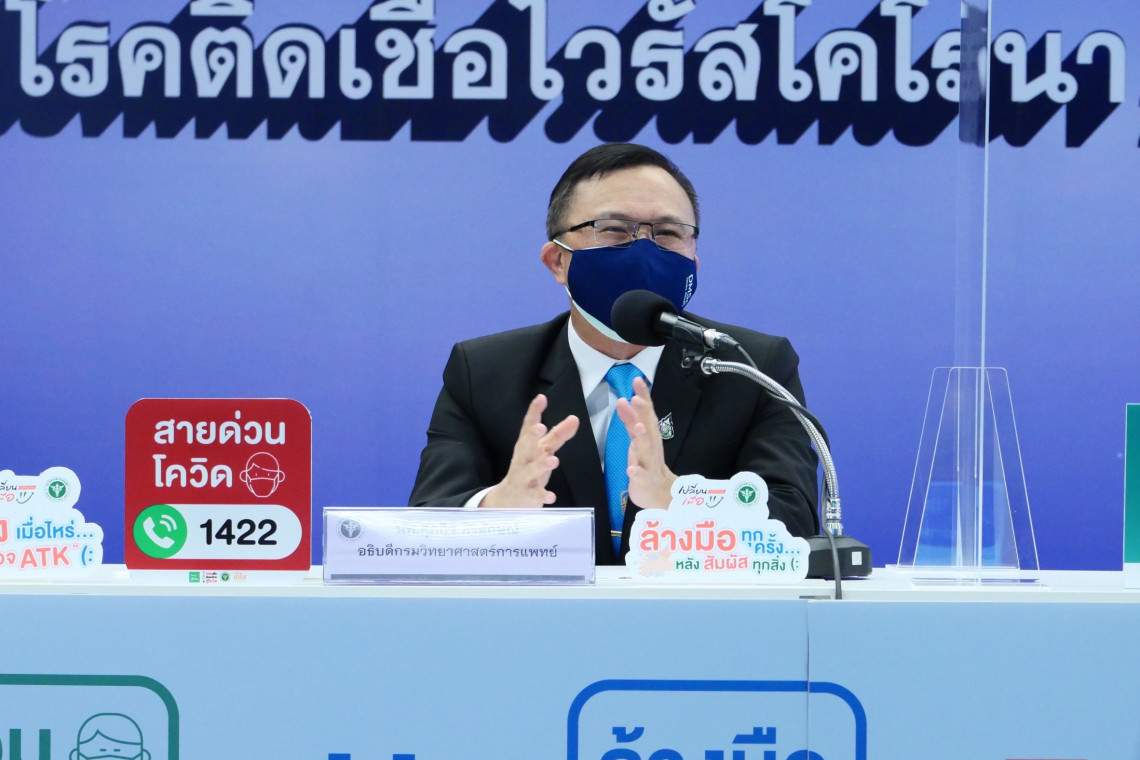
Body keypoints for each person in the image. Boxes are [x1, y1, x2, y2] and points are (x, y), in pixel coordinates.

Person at [409, 143, 818, 565]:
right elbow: (425, 523)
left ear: (694, 260)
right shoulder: (485, 372)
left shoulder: (749, 366)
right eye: (614, 229)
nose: (644, 251)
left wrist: (679, 499)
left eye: (668, 232)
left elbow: (796, 525)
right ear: (557, 261)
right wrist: (497, 507)